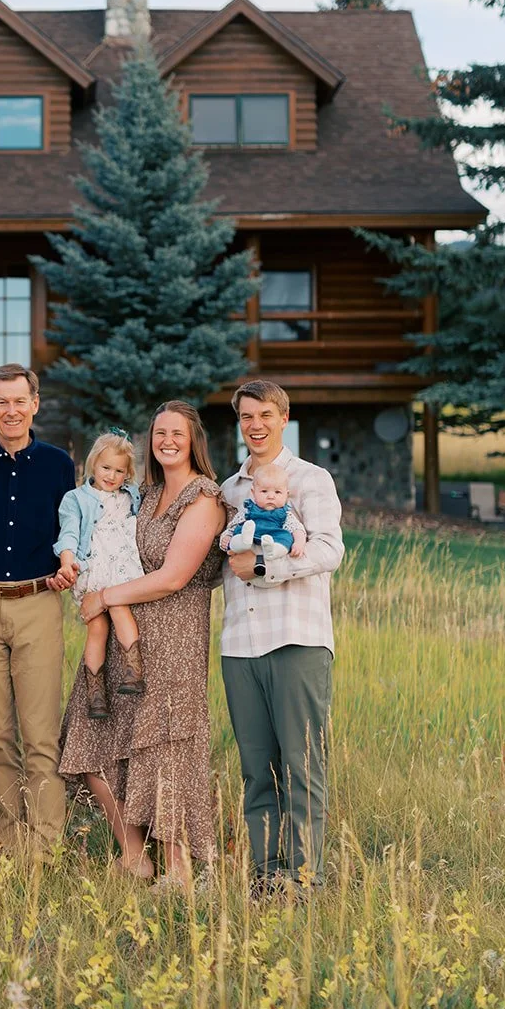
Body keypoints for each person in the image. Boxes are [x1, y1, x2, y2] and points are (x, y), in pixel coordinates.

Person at [61, 401, 229, 889]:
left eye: (177, 432)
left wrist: (103, 597)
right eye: (159, 433)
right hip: (123, 634)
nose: (167, 441)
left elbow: (174, 576)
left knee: (164, 749)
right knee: (91, 740)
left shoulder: (204, 498)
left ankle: (177, 869)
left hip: (174, 638)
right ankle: (133, 855)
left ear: (193, 439)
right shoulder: (143, 493)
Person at [220, 380, 343, 893]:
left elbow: (329, 550)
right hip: (239, 644)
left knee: (302, 765)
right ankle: (266, 876)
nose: (256, 425)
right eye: (247, 416)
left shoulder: (311, 479)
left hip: (296, 638)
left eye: (265, 414)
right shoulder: (229, 490)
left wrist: (264, 566)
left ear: (284, 417)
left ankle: (305, 877)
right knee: (256, 770)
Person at [0, 365, 77, 856]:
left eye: (19, 401)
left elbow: (71, 528)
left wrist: (69, 566)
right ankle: (8, 840)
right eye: (1, 402)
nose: (11, 410)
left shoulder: (58, 464)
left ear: (35, 404)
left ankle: (45, 845)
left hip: (38, 603)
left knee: (41, 732)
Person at [55, 430, 143, 721]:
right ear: (93, 464)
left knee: (119, 607)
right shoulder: (77, 498)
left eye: (119, 471)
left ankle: (134, 669)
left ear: (127, 473)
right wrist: (67, 563)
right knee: (97, 628)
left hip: (122, 567)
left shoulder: (130, 496)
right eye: (106, 468)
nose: (112, 475)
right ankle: (96, 694)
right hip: (94, 568)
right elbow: (68, 533)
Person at [221, 462, 306, 561]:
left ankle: (273, 550)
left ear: (286, 495)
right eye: (264, 491)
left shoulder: (285, 515)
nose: (271, 496)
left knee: (286, 537)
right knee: (238, 531)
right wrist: (226, 536)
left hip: (274, 538)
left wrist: (299, 543)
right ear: (253, 493)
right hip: (249, 539)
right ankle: (241, 542)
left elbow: (297, 529)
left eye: (277, 492)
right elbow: (232, 526)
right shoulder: (247, 511)